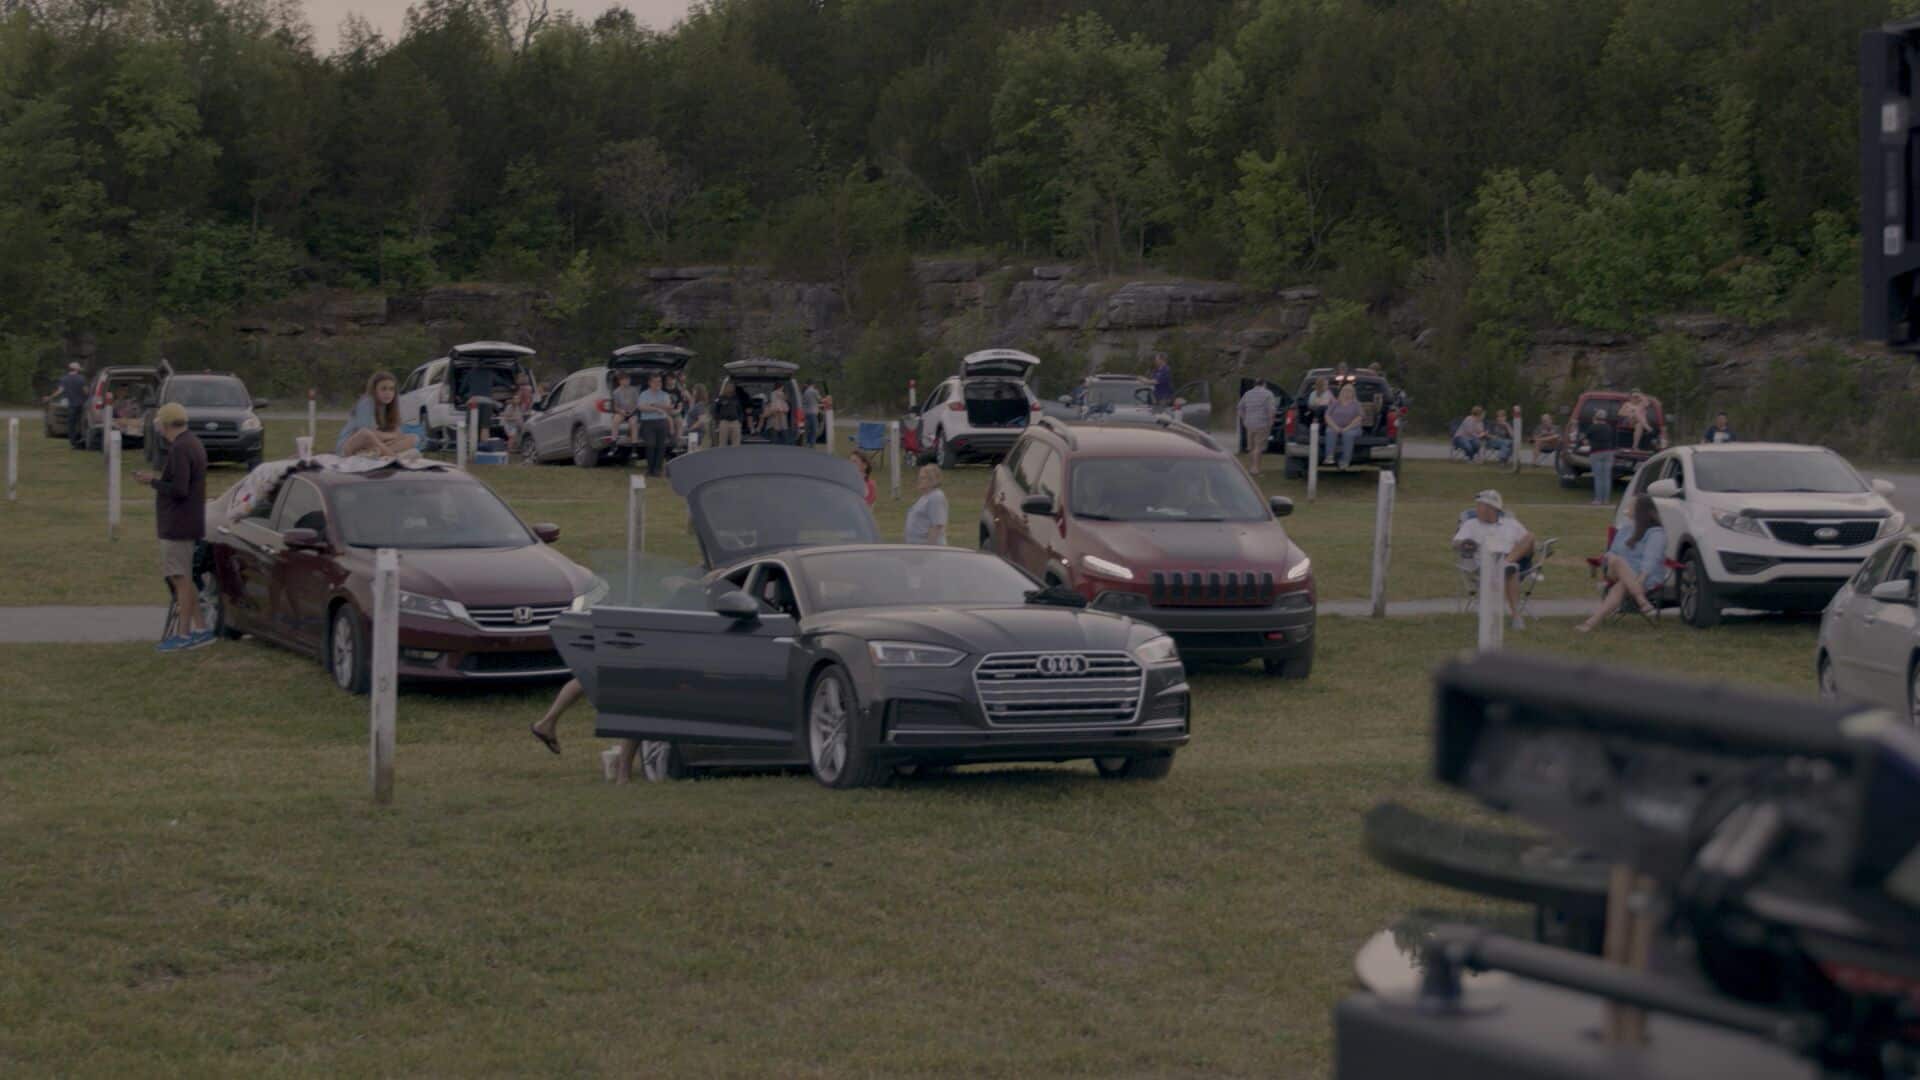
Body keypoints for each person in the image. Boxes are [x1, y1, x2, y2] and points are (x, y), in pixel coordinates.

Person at [132, 402, 212, 652]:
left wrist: (152, 481)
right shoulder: (194, 443)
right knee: (186, 579)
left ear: (165, 425)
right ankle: (202, 629)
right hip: (189, 522)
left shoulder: (179, 448)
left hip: (178, 525)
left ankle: (184, 634)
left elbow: (179, 490)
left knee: (180, 580)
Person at [1576, 495, 1669, 631]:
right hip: (1616, 571)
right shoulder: (1625, 529)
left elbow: (1651, 559)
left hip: (1645, 577)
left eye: (1631, 506)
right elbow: (1611, 551)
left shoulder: (1656, 533)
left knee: (1620, 587)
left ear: (1640, 510)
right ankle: (1641, 600)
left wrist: (1639, 579)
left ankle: (1591, 622)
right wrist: (1612, 558)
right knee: (1616, 560)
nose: (1627, 508)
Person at [1451, 488, 1535, 631]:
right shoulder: (1471, 524)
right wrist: (1465, 543)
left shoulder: (1511, 523)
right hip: (1485, 564)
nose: (1476, 508)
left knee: (1529, 538)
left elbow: (1530, 545)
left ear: (1492, 508)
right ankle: (1516, 616)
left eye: (1480, 505)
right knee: (1511, 570)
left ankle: (1505, 564)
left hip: (1511, 558)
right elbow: (1455, 544)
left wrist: (1516, 552)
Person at [337, 370, 419, 457]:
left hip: (373, 446)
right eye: (383, 389)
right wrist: (392, 435)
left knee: (413, 438)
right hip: (350, 446)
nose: (388, 393)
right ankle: (393, 456)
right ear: (375, 390)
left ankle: (374, 454)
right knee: (366, 433)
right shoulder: (366, 403)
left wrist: (395, 435)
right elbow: (370, 434)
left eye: (391, 389)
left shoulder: (390, 407)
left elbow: (398, 433)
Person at [633, 373, 674, 476]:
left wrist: (653, 404)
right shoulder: (644, 394)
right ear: (650, 383)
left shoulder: (664, 394)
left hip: (662, 421)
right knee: (650, 444)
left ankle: (657, 469)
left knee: (661, 446)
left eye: (659, 381)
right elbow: (641, 407)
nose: (658, 384)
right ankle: (650, 469)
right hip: (648, 423)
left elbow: (668, 407)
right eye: (655, 382)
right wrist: (655, 408)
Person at [1237, 379, 1280, 475]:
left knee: (1251, 447)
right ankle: (1256, 469)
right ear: (1264, 384)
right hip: (1262, 423)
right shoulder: (1268, 394)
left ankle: (1250, 468)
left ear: (1255, 384)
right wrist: (1271, 421)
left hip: (1249, 423)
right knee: (1258, 447)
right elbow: (1271, 409)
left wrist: (1244, 418)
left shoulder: (1248, 393)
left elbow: (1240, 407)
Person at [457, 362, 503, 444]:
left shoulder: (470, 373)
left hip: (474, 401)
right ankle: (483, 447)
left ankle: (471, 447)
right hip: (487, 401)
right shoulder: (490, 373)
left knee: (471, 425)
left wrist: (460, 395)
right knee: (485, 427)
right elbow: (501, 381)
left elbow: (462, 388)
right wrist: (511, 386)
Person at [904, 463, 948, 545]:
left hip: (928, 549)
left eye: (923, 478)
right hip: (917, 548)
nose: (919, 480)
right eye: (919, 477)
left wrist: (929, 549)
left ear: (933, 480)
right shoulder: (925, 497)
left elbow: (936, 526)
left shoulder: (936, 497)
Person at [1324, 383, 1365, 469]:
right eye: (1345, 390)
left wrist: (1346, 428)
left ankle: (1345, 461)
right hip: (1335, 426)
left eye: (1349, 391)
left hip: (1353, 427)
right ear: (1341, 392)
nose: (1347, 393)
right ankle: (1329, 457)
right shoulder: (1335, 402)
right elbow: (1327, 415)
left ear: (1353, 393)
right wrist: (1335, 427)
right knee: (1330, 431)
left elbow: (1359, 417)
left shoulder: (1356, 404)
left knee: (1348, 434)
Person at [50, 362, 88, 450]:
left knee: (71, 425)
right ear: (77, 369)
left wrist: (49, 397)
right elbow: (86, 392)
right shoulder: (81, 378)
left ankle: (73, 443)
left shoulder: (64, 379)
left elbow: (60, 391)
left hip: (71, 405)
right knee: (82, 424)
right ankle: (82, 441)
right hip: (81, 405)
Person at [1585, 407, 1617, 505]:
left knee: (1598, 477)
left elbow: (1586, 438)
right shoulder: (1609, 427)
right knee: (1606, 477)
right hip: (1609, 452)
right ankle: (1606, 500)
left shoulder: (1593, 427)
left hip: (1596, 452)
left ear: (1596, 417)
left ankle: (1598, 499)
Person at [610, 371, 641, 448]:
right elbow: (615, 407)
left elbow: (637, 404)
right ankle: (613, 443)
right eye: (624, 380)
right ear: (620, 381)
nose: (626, 382)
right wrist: (621, 411)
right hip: (621, 412)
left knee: (633, 423)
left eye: (628, 380)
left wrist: (632, 411)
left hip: (632, 412)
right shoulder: (616, 392)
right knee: (615, 420)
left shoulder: (634, 390)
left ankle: (634, 447)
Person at [712, 379, 743, 447]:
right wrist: (718, 421)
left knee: (736, 444)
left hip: (735, 422)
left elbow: (740, 411)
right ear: (725, 388)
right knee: (722, 443)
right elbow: (715, 410)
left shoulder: (736, 398)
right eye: (728, 387)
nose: (730, 388)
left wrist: (739, 421)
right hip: (724, 422)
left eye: (732, 387)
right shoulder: (720, 398)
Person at [683, 384, 710, 449]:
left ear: (698, 392)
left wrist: (690, 429)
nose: (693, 391)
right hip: (693, 433)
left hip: (696, 433)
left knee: (694, 451)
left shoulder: (699, 405)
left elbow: (701, 420)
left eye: (694, 390)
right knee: (693, 450)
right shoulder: (696, 404)